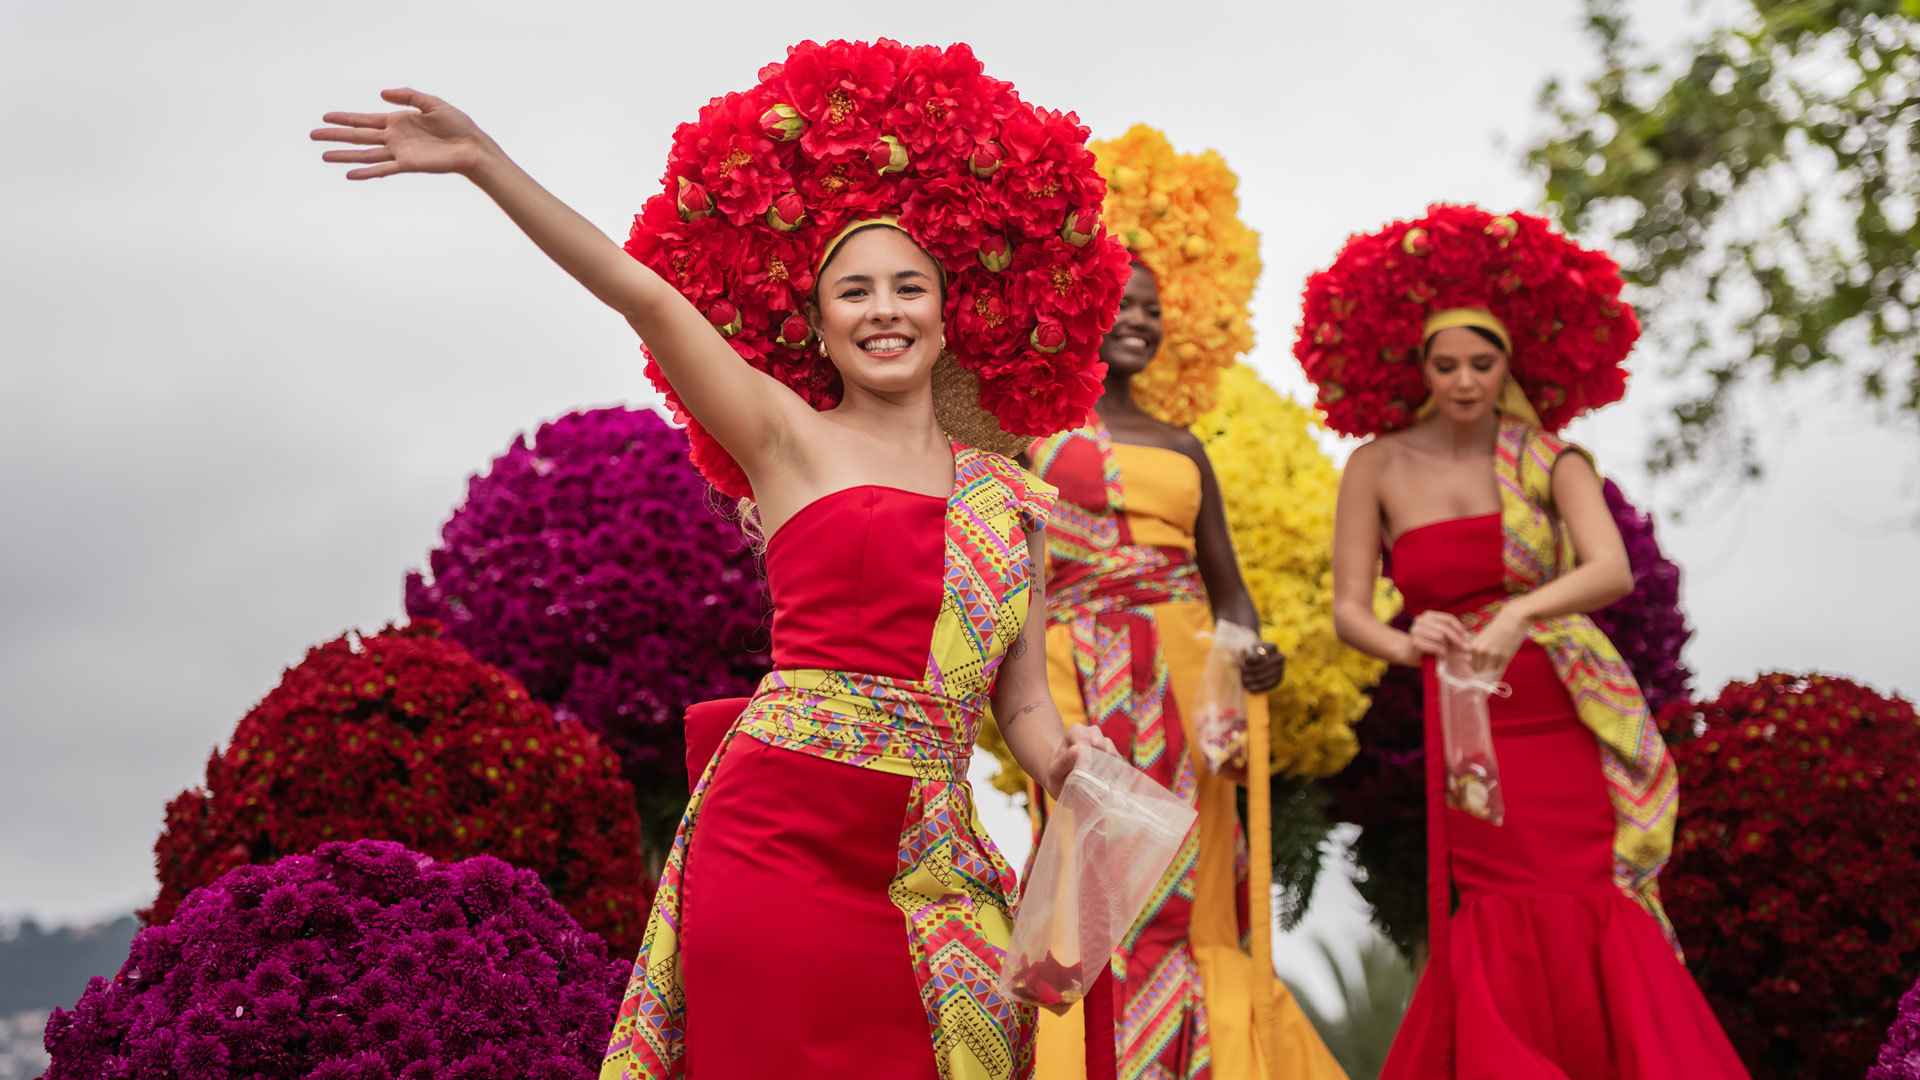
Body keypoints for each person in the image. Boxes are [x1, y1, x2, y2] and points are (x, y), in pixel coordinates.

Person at [313, 39, 1132, 1080]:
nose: (884, 309)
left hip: (933, 854)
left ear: (946, 313)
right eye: (855, 293)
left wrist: (1070, 762)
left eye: (908, 288)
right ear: (820, 329)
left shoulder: (1012, 501)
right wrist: (485, 162)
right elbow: (644, 296)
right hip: (778, 834)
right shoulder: (783, 438)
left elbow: (1021, 708)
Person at [1306, 205, 1748, 1078]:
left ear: (1510, 364)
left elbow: (1609, 570)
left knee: (1587, 891)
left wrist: (1516, 614)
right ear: (1420, 368)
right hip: (1464, 706)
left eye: (1482, 362)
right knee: (1500, 897)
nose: (1465, 380)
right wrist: (1411, 644)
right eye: (1446, 365)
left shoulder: (1549, 458)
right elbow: (1349, 610)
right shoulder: (1377, 466)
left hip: (1559, 696)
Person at [1015, 126, 1344, 1080]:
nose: (1137, 321)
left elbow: (1229, 592)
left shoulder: (1185, 443)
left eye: (1152, 310)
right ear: (1082, 309)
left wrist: (1255, 655)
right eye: (1120, 302)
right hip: (1072, 674)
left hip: (1189, 686)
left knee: (1193, 881)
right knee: (1090, 862)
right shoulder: (1027, 434)